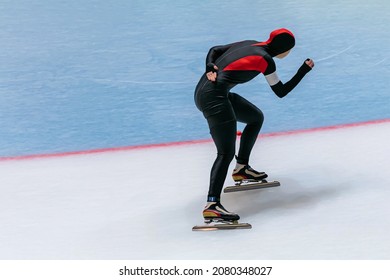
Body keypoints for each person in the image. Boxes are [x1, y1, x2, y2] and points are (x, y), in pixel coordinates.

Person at [194, 28, 315, 223]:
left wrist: (209, 66)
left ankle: (241, 168)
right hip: (213, 99)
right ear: (285, 50)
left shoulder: (252, 43)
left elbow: (214, 50)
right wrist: (303, 71)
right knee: (225, 152)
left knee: (255, 117)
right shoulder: (266, 60)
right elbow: (281, 91)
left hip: (210, 93)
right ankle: (212, 205)